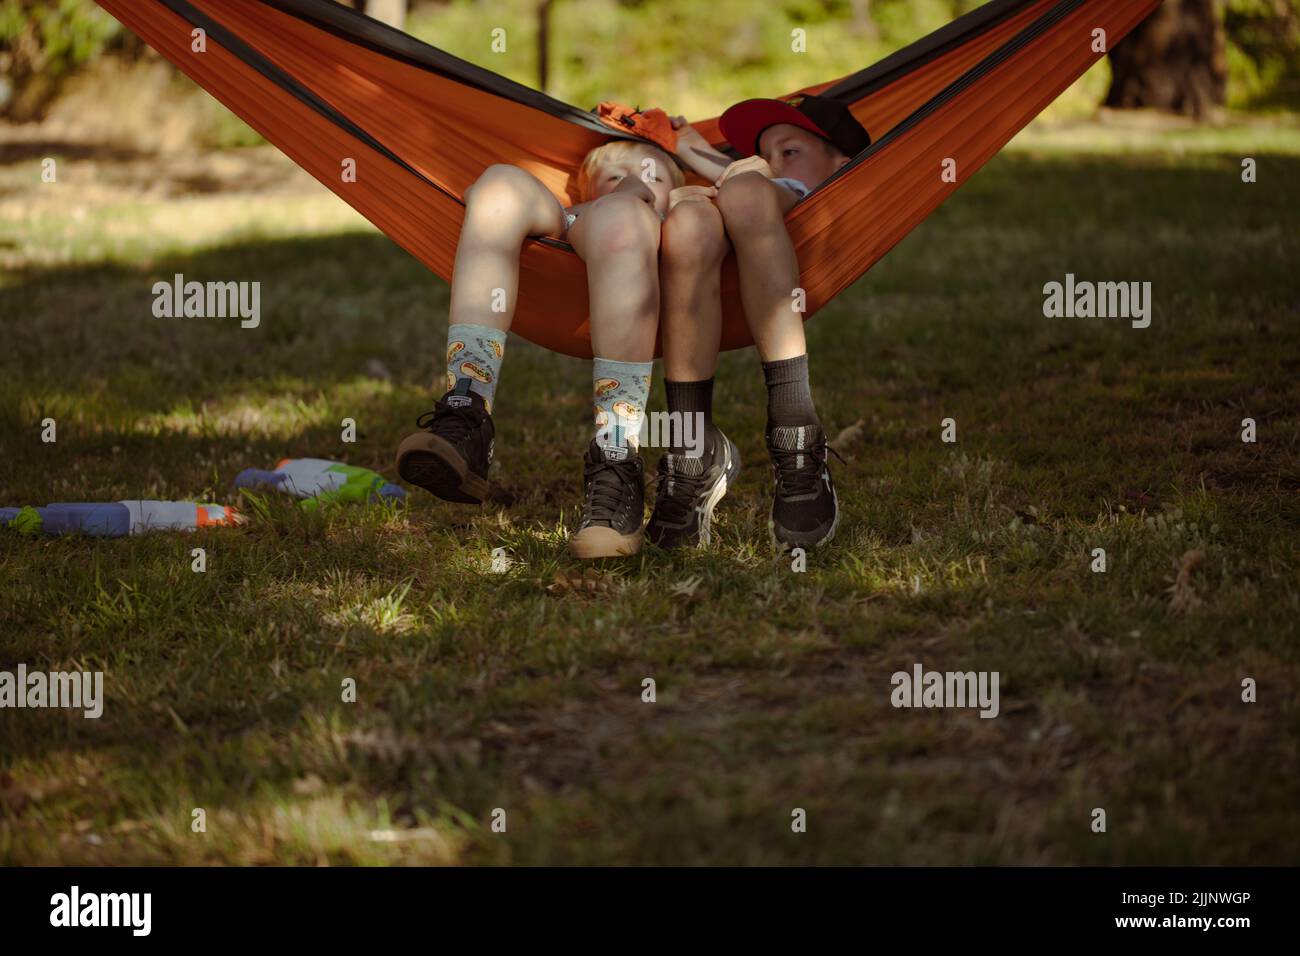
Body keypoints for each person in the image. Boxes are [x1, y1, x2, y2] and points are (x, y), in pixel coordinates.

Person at [395, 129, 684, 559]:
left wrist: (637, 192)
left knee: (623, 216)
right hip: (573, 225)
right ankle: (466, 414)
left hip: (625, 238)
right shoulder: (585, 207)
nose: (633, 179)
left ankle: (616, 456)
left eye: (652, 176)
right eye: (613, 174)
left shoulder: (681, 215)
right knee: (498, 182)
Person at [647, 93, 871, 550]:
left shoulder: (776, 191)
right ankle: (692, 450)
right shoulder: (741, 192)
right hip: (718, 242)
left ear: (841, 165)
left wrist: (721, 167)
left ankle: (796, 435)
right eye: (763, 156)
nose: (772, 164)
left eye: (789, 152)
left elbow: (748, 189)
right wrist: (686, 147)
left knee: (745, 191)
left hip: (764, 212)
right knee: (687, 221)